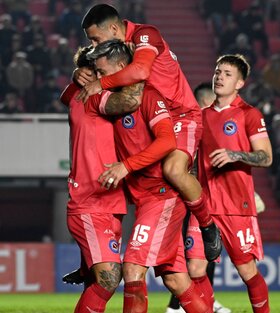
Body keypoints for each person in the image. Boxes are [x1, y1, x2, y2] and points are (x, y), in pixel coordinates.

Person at [75, 3, 221, 261]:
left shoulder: (146, 34)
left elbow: (141, 70)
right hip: (150, 117)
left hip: (180, 114)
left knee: (173, 171)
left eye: (96, 39)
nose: (95, 45)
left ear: (113, 28)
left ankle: (207, 225)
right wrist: (80, 73)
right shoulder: (116, 51)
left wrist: (101, 83)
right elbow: (91, 66)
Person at [87, 39, 211, 313]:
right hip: (145, 199)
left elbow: (167, 141)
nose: (99, 78)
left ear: (121, 67)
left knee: (132, 268)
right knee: (176, 279)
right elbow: (73, 96)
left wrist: (126, 166)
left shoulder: (149, 96)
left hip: (162, 196)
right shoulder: (113, 101)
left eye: (102, 71)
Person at [59, 45, 143, 313]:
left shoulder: (79, 94)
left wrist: (78, 78)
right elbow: (131, 101)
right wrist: (141, 71)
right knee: (109, 278)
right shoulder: (92, 98)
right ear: (91, 74)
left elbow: (66, 97)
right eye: (103, 71)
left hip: (109, 203)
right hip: (91, 203)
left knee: (97, 281)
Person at [185, 54, 272, 313]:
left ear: (240, 83)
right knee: (195, 268)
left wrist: (236, 155)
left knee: (246, 271)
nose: (219, 77)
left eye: (227, 74)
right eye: (218, 72)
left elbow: (266, 157)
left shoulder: (250, 115)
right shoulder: (199, 117)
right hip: (204, 206)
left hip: (236, 205)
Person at [166, 82, 231, 313]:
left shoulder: (196, 125)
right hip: (190, 199)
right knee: (194, 253)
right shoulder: (199, 124)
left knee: (203, 253)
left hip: (195, 197)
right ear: (206, 101)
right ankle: (180, 305)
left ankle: (195, 303)